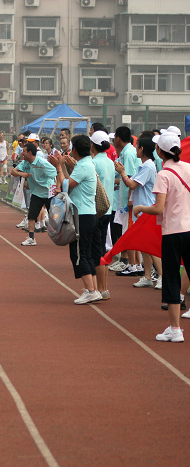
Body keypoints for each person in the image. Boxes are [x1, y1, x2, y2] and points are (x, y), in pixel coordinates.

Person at [133, 132, 190, 342]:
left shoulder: (163, 175)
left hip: (173, 232)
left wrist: (140, 207)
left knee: (172, 278)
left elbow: (159, 208)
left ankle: (175, 329)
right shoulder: (188, 168)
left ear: (159, 151)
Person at [49, 135, 102, 304]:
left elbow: (66, 185)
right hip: (88, 213)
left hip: (83, 215)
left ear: (75, 150)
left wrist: (58, 167)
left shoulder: (84, 165)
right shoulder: (84, 164)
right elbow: (69, 182)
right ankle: (92, 289)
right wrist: (62, 166)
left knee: (79, 253)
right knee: (85, 252)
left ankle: (91, 290)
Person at [115, 137, 163, 289]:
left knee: (150, 246)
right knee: (144, 246)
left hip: (147, 209)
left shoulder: (148, 166)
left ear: (142, 149)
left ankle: (162, 276)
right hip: (143, 210)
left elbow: (131, 184)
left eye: (137, 147)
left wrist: (122, 172)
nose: (136, 149)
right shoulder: (145, 166)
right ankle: (147, 276)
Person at [11, 142, 56, 245]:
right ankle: (31, 238)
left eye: (24, 151)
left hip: (48, 192)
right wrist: (22, 174)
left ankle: (62, 235)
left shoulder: (42, 163)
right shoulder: (25, 163)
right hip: (36, 192)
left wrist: (57, 188)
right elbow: (13, 172)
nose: (22, 153)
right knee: (31, 215)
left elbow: (54, 173)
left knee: (54, 217)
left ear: (30, 153)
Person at [112, 126, 142, 276]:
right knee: (128, 231)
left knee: (128, 231)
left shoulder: (129, 153)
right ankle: (136, 265)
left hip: (127, 201)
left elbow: (130, 176)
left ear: (118, 138)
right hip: (124, 197)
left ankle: (133, 265)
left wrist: (130, 199)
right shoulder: (126, 152)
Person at [90, 131, 116, 300]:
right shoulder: (110, 162)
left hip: (97, 210)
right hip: (108, 209)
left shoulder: (94, 163)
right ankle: (103, 288)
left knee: (97, 251)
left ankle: (101, 289)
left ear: (93, 145)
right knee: (102, 249)